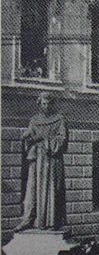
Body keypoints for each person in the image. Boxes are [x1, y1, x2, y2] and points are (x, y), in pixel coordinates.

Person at [17, 91, 68, 231]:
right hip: (36, 159)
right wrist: (27, 138)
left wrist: (46, 141)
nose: (46, 106)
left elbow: (62, 140)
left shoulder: (59, 119)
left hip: (51, 160)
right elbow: (29, 137)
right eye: (43, 104)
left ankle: (50, 221)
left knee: (51, 190)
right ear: (39, 104)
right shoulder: (34, 120)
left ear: (52, 104)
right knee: (32, 189)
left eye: (48, 104)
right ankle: (29, 219)